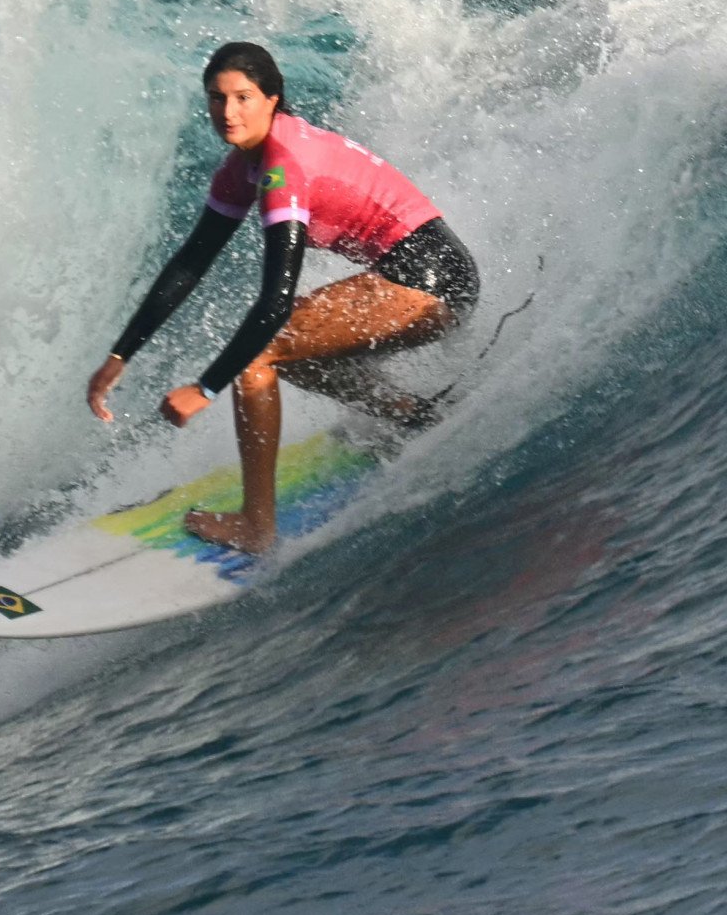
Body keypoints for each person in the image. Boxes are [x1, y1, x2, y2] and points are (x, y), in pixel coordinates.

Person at [87, 41, 479, 554]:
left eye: (244, 97)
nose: (228, 112)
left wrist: (204, 389)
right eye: (217, 98)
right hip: (414, 275)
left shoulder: (281, 167)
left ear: (273, 99)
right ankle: (412, 414)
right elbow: (191, 262)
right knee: (288, 354)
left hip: (432, 280)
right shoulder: (240, 168)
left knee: (261, 353)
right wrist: (121, 355)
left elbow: (273, 299)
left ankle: (256, 526)